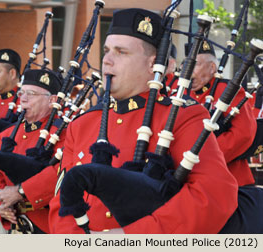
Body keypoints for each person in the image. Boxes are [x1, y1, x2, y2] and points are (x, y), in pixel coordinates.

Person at [48, 8, 238, 234]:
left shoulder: (182, 117)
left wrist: (130, 238)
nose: (107, 60)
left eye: (121, 52)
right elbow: (62, 205)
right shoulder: (81, 125)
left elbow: (212, 196)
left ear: (152, 65)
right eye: (107, 50)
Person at [0, 68, 65, 233]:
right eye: (21, 93)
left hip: (48, 223)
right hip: (16, 221)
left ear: (52, 100)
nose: (23, 99)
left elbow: (62, 172)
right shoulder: (7, 135)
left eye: (31, 93)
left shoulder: (63, 132)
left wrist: (21, 191)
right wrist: (2, 205)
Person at [187, 41, 256, 186]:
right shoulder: (184, 94)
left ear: (212, 67)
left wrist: (207, 157)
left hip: (229, 178)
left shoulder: (227, 90)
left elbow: (244, 132)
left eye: (196, 65)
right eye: (187, 64)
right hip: (190, 178)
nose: (189, 70)